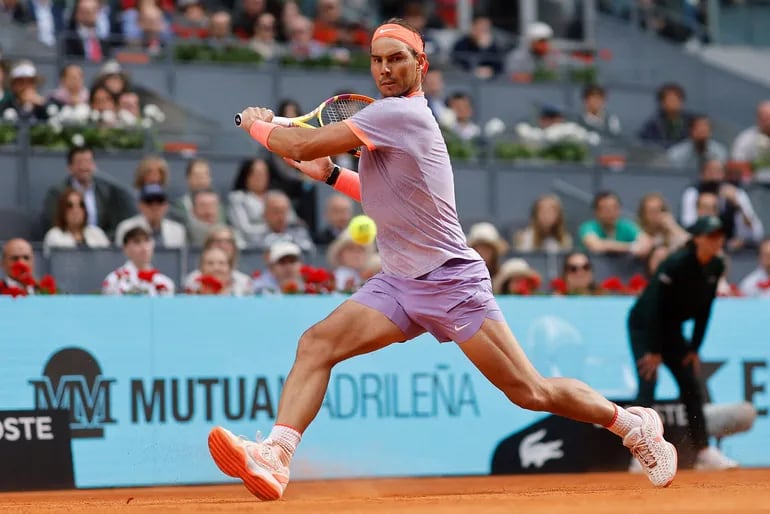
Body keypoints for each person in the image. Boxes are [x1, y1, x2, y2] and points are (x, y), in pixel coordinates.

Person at [207, 18, 678, 500]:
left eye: (397, 59)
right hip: (398, 284)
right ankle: (277, 456)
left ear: (421, 65)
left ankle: (632, 425)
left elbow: (302, 142)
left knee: (529, 392)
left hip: (451, 283)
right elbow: (378, 194)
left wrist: (255, 124)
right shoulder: (383, 123)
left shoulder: (400, 115)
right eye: (378, 60)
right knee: (316, 345)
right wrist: (329, 177)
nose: (386, 69)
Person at [627, 215, 738, 471]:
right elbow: (654, 307)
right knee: (648, 381)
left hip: (672, 329)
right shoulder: (674, 264)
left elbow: (705, 309)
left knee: (691, 383)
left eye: (720, 236)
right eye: (711, 236)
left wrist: (694, 348)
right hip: (645, 325)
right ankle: (640, 454)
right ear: (697, 239)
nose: (717, 241)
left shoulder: (717, 265)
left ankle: (704, 451)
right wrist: (654, 350)